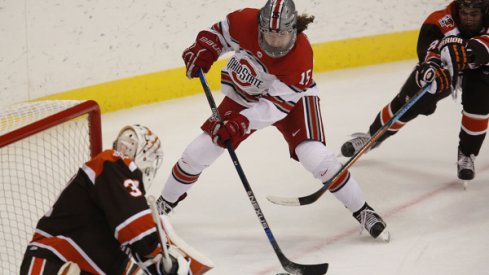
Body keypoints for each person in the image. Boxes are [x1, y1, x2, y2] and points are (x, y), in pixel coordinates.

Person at [156, 0, 390, 241]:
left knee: (315, 156)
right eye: (269, 34)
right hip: (246, 92)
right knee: (198, 151)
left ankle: (363, 211)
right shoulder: (244, 20)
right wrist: (205, 48)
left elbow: (275, 107)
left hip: (293, 101)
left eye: (282, 36)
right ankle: (162, 207)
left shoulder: (300, 56)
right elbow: (218, 34)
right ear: (259, 27)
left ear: (294, 30)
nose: (275, 42)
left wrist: (240, 123)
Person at [340, 0, 489, 183]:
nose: (467, 19)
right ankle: (372, 137)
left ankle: (467, 154)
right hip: (446, 68)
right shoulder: (439, 21)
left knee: (479, 105)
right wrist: (430, 69)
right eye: (464, 13)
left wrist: (471, 53)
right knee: (408, 101)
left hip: (481, 69)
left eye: (474, 15)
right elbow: (427, 52)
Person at [20, 124, 195, 275]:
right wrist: (161, 251)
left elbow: (133, 249)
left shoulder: (111, 197)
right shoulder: (112, 163)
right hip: (55, 260)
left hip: (78, 263)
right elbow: (138, 231)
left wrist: (159, 265)